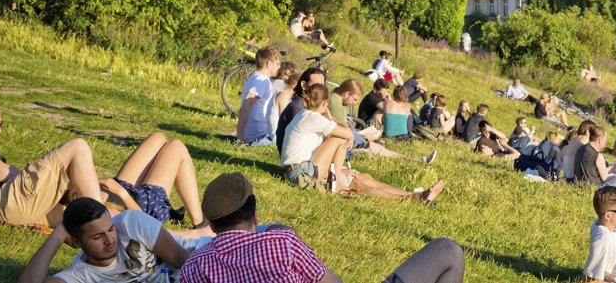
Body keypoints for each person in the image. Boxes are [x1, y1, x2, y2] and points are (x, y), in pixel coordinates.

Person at [178, 172, 464, 283]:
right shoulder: (281, 243)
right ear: (255, 215)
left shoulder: (194, 267)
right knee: (447, 251)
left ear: (212, 225)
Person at [0, 94, 106, 230]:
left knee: (79, 214)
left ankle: (104, 220)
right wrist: (46, 183)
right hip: (9, 203)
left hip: (10, 211)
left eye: (0, 124)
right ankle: (103, 219)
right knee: (77, 146)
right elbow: (6, 175)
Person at [280, 85, 444, 203]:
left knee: (364, 177)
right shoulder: (312, 118)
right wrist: (334, 122)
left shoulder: (306, 115)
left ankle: (414, 196)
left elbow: (318, 151)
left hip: (306, 168)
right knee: (353, 174)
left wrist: (342, 168)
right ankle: (334, 185)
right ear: (325, 104)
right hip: (300, 173)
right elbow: (345, 134)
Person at [18, 196, 213, 283]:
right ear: (77, 242)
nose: (110, 239)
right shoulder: (80, 275)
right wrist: (59, 233)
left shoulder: (130, 223)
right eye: (97, 236)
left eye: (110, 229)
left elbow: (184, 261)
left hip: (208, 259)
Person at [100, 132, 206, 228]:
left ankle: (176, 214)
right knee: (176, 146)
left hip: (118, 189)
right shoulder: (100, 217)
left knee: (158, 137)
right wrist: (121, 193)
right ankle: (199, 222)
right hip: (144, 207)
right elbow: (142, 222)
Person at [236, 48, 282, 146]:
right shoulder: (261, 80)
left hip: (256, 134)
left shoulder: (255, 76)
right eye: (278, 64)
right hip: (259, 136)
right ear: (268, 63)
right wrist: (239, 138)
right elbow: (245, 107)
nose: (279, 67)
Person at [275, 67, 327, 153]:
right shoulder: (297, 107)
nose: (319, 89)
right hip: (297, 159)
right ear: (304, 85)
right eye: (316, 85)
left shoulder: (310, 106)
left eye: (322, 85)